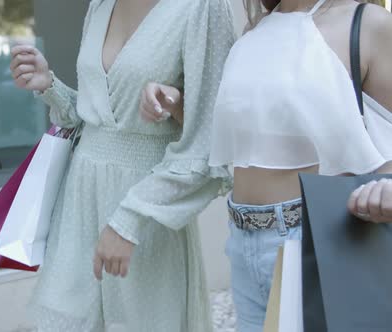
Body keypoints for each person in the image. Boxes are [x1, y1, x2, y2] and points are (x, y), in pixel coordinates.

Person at [143, 0, 392, 330]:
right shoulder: (256, 30)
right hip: (242, 240)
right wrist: (176, 105)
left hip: (318, 238)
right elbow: (252, 138)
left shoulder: (368, 24)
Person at [9, 0, 235, 330]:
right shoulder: (101, 4)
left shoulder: (203, 7)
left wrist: (129, 220)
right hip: (79, 205)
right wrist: (49, 86)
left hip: (144, 211)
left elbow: (210, 137)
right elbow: (99, 122)